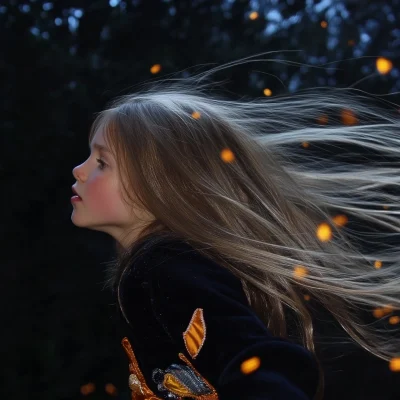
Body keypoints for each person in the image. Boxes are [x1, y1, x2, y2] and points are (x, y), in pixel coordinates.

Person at [71, 52, 400, 400]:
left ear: (159, 186)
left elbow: (257, 362)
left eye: (102, 162)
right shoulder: (164, 267)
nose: (80, 169)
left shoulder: (161, 267)